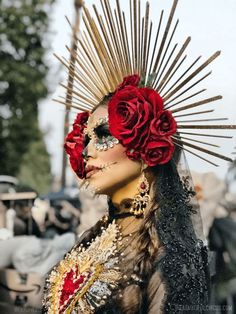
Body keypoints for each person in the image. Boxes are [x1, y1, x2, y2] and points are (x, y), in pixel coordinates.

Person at [43, 0, 236, 313]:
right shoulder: (95, 237)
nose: (86, 149)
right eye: (86, 137)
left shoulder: (174, 259)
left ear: (147, 151)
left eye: (103, 134)